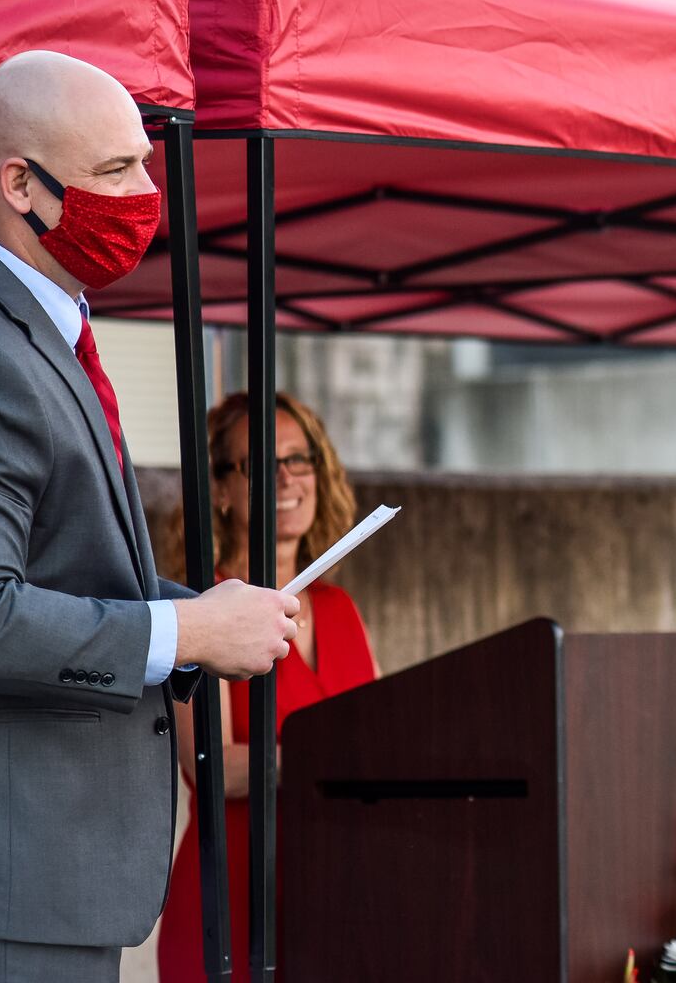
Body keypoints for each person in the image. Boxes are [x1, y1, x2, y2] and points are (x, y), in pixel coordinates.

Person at [0, 52, 299, 982]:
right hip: (3, 892)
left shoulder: (37, 327)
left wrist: (200, 616)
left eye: (144, 165)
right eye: (115, 172)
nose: (145, 196)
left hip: (37, 885)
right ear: (21, 186)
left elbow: (61, 569)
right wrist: (187, 629)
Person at [158, 391, 381, 982]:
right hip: (231, 893)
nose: (285, 477)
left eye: (298, 459)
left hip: (336, 899)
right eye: (259, 464)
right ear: (222, 490)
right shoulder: (202, 606)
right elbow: (207, 765)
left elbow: (383, 739)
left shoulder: (341, 609)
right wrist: (323, 765)